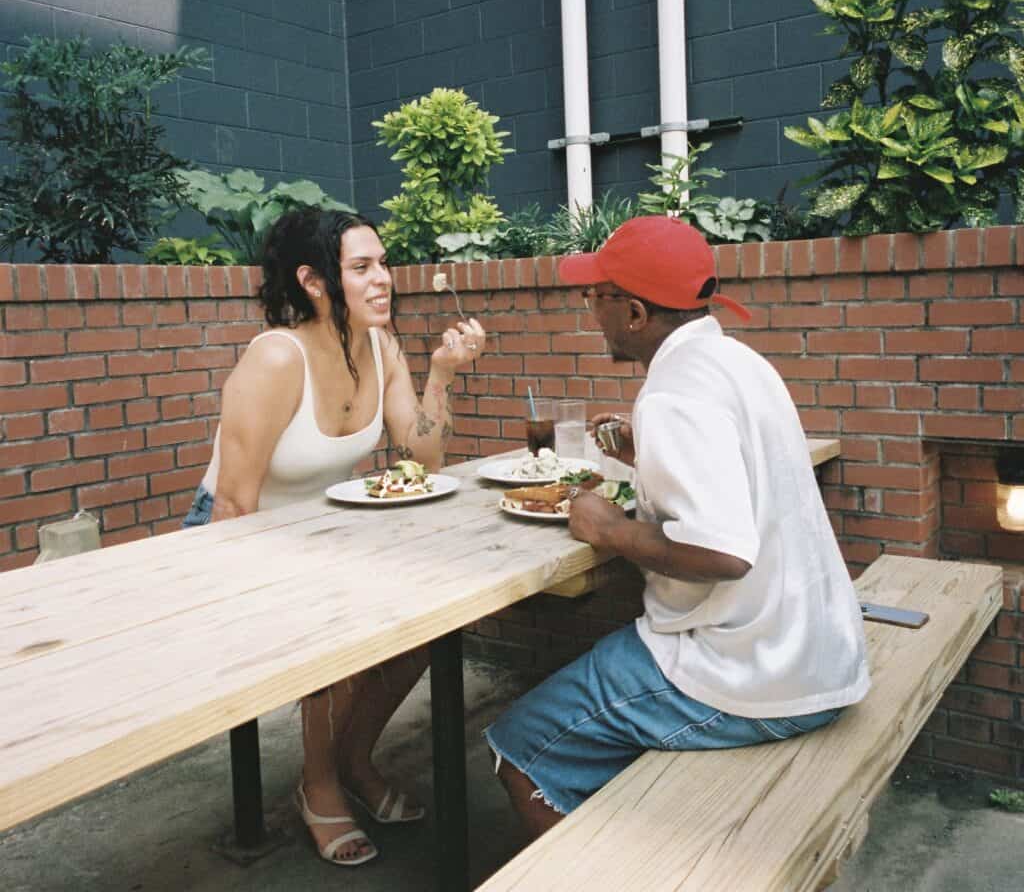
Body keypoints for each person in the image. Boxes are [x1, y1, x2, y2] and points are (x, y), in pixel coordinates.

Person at [486, 215, 869, 840]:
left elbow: (721, 553)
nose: (591, 311)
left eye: (597, 296)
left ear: (634, 314)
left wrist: (605, 527)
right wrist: (653, 461)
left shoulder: (675, 393)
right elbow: (743, 478)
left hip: (755, 672)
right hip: (818, 648)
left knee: (522, 747)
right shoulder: (739, 362)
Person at [182, 206, 486, 866]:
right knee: (335, 631)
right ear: (314, 282)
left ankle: (351, 758)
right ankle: (318, 785)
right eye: (361, 268)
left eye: (382, 264)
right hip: (238, 531)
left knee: (427, 625)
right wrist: (272, 587)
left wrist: (442, 374)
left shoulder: (380, 345)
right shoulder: (275, 358)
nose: (384, 279)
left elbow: (422, 455)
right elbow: (233, 502)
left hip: (321, 531)